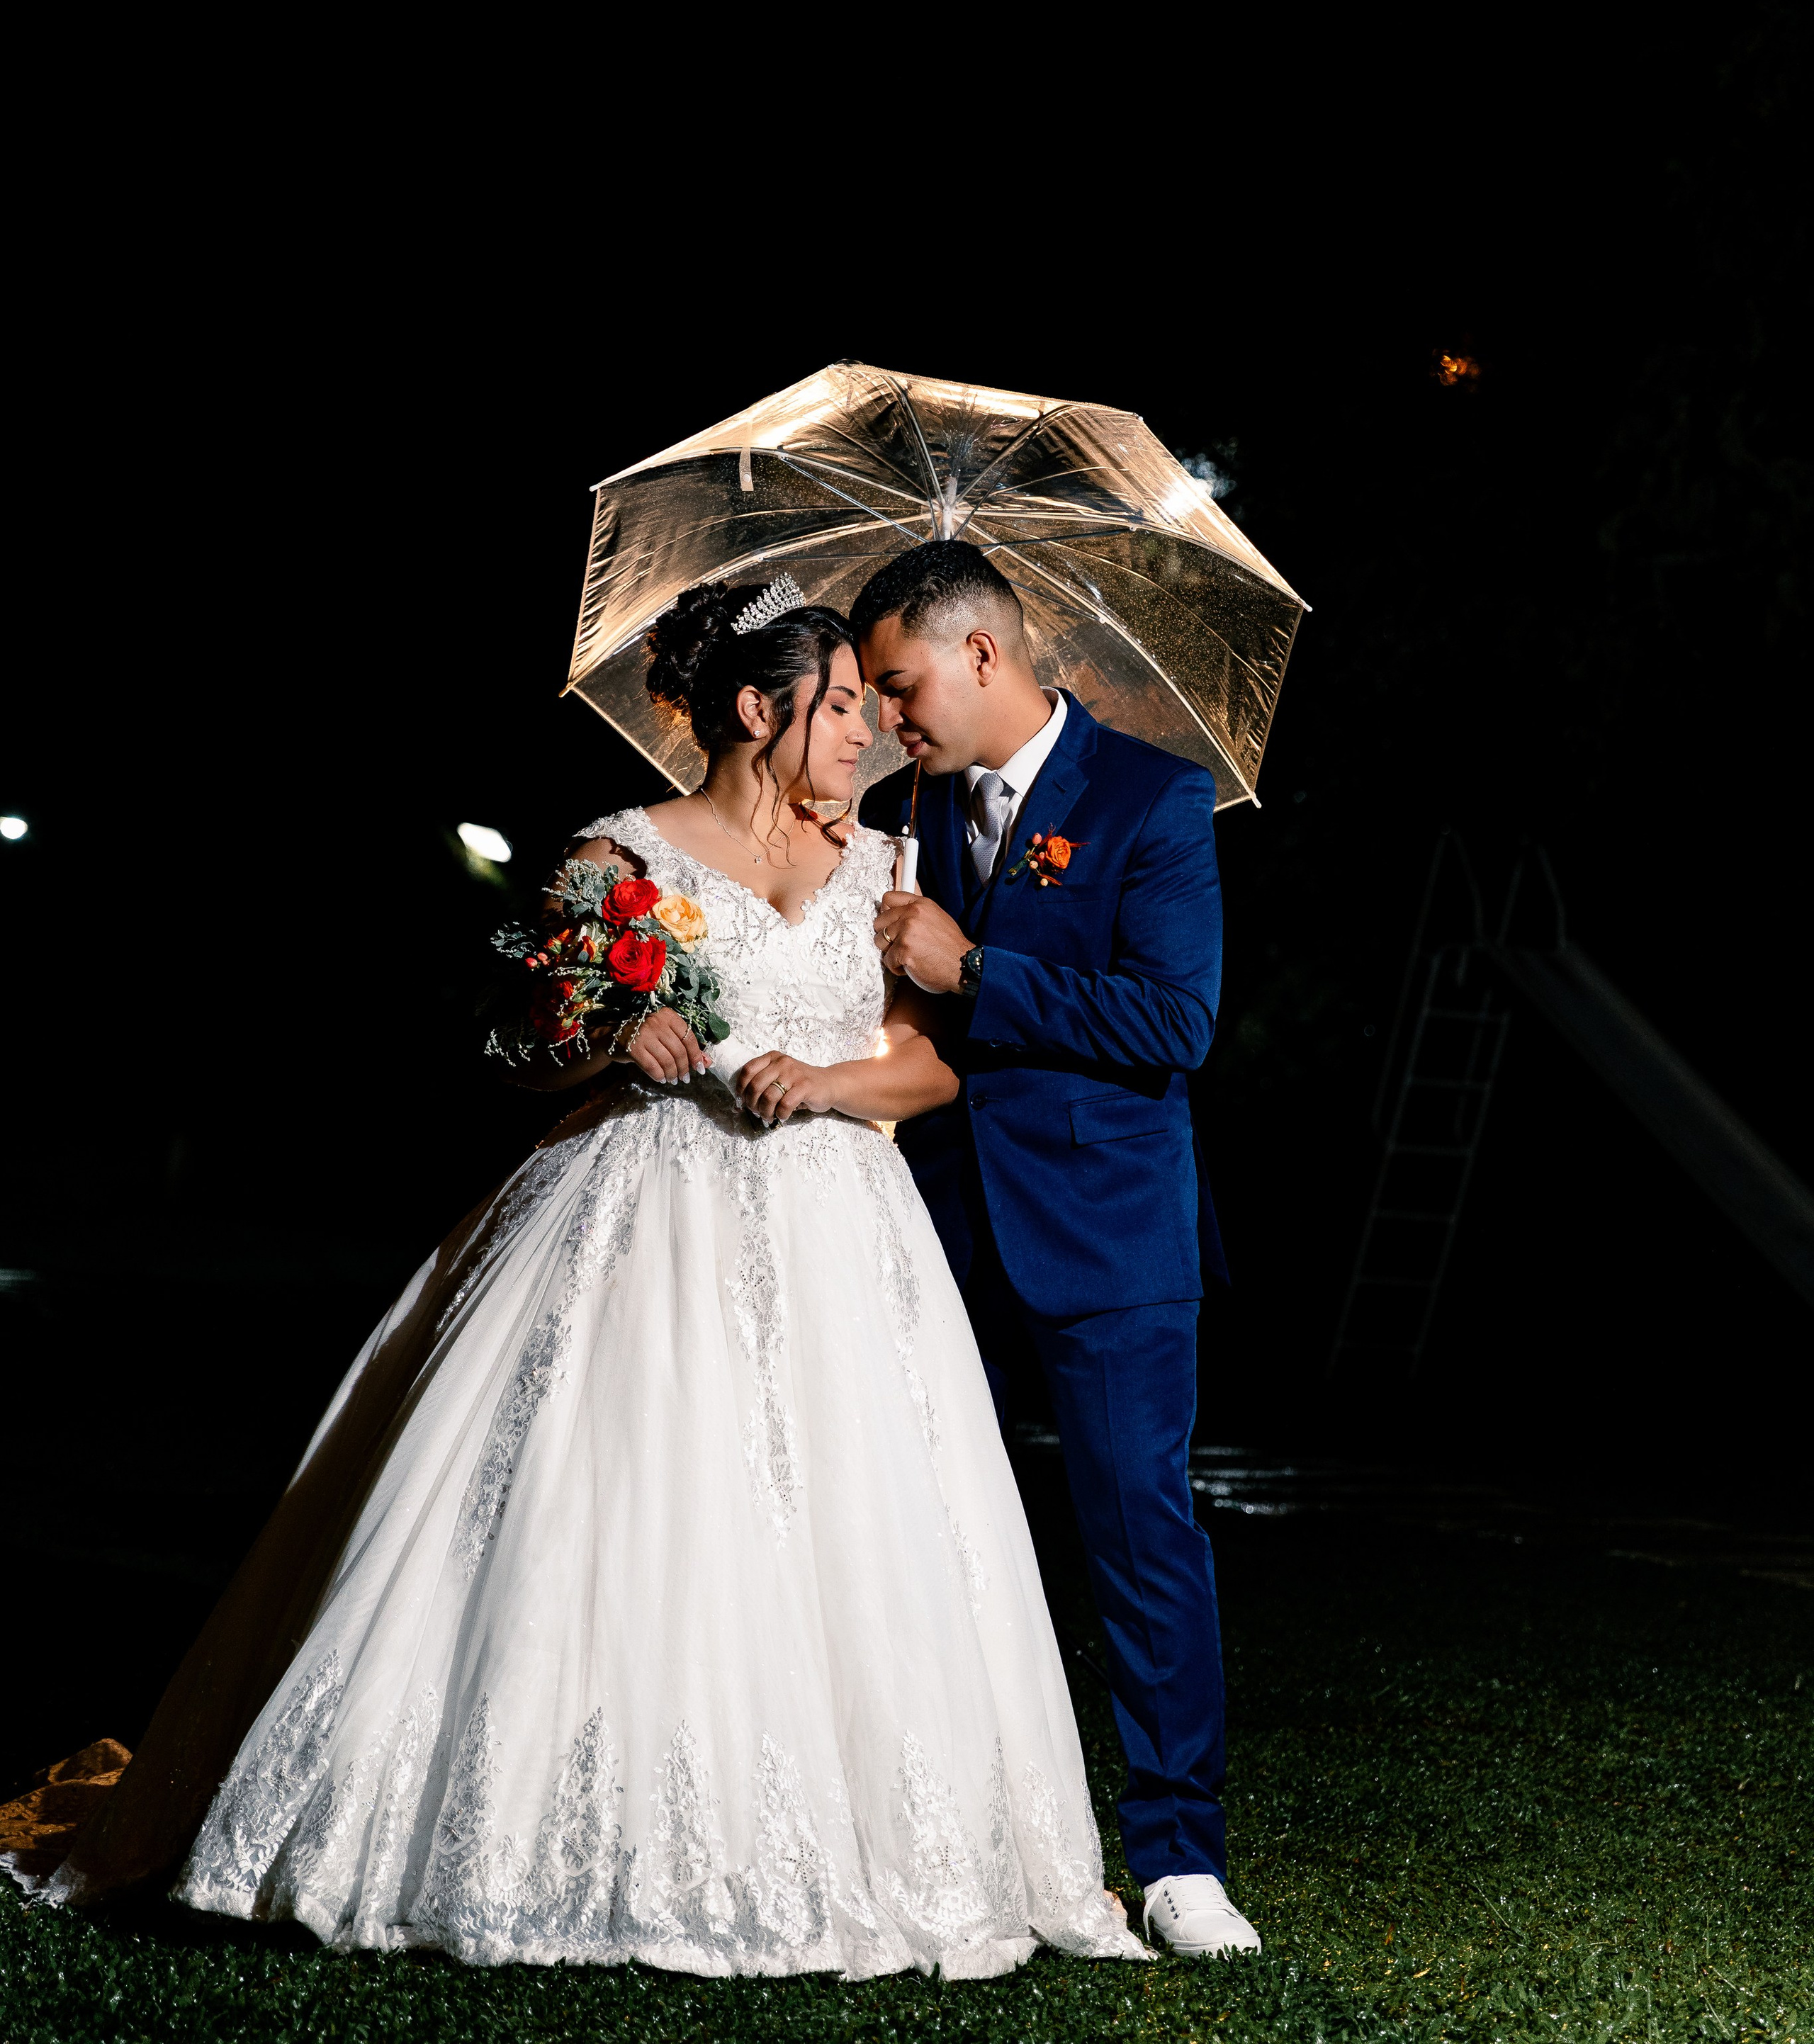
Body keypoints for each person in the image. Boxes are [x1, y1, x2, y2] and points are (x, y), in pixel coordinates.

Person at [10, 575, 1147, 1983]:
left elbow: (928, 1064)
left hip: (838, 1231)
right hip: (635, 1216)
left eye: (871, 706)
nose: (865, 735)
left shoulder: (883, 867)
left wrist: (832, 1077)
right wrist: (618, 1038)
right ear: (755, 708)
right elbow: (517, 1049)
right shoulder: (619, 859)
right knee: (598, 1508)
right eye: (842, 706)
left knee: (849, 1529)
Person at [853, 541, 1262, 1960]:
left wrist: (969, 968)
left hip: (1108, 1233)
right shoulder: (904, 803)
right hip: (934, 1221)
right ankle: (944, 1833)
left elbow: (1171, 1026)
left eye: (899, 687)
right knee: (925, 1533)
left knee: (1138, 1537)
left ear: (979, 653)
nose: (887, 719)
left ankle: (1177, 1856)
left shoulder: (1151, 797)